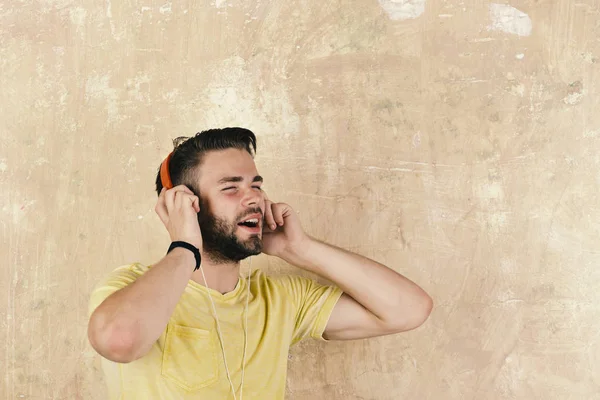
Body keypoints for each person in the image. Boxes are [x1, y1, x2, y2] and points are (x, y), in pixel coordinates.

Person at [87, 127, 433, 400]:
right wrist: (184, 245)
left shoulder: (281, 299)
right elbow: (120, 340)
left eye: (256, 185)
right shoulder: (127, 289)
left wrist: (300, 250)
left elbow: (408, 309)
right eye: (230, 187)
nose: (254, 197)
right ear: (184, 203)